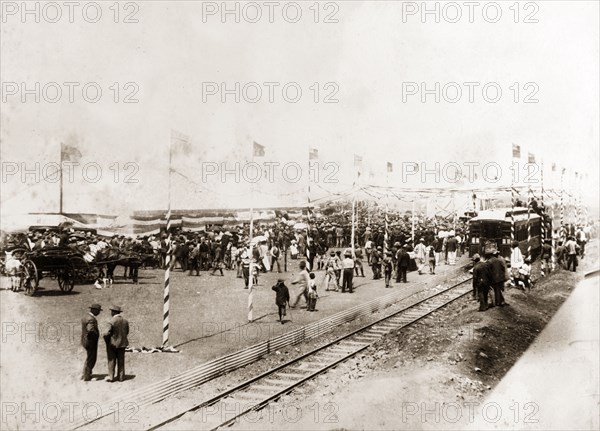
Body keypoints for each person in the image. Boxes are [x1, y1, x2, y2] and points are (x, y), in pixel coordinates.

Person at [102, 305, 129, 383]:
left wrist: (107, 342)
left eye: (111, 311)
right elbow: (127, 332)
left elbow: (106, 334)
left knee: (111, 360)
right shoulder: (125, 321)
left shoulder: (111, 321)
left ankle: (111, 377)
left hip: (112, 344)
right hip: (122, 344)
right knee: (121, 360)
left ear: (113, 312)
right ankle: (121, 377)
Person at [81, 304, 102, 381]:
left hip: (85, 340)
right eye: (98, 311)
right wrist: (96, 335)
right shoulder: (91, 319)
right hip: (91, 341)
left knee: (89, 357)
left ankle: (85, 373)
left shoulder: (85, 316)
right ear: (94, 310)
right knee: (91, 358)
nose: (99, 313)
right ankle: (86, 376)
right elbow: (90, 329)